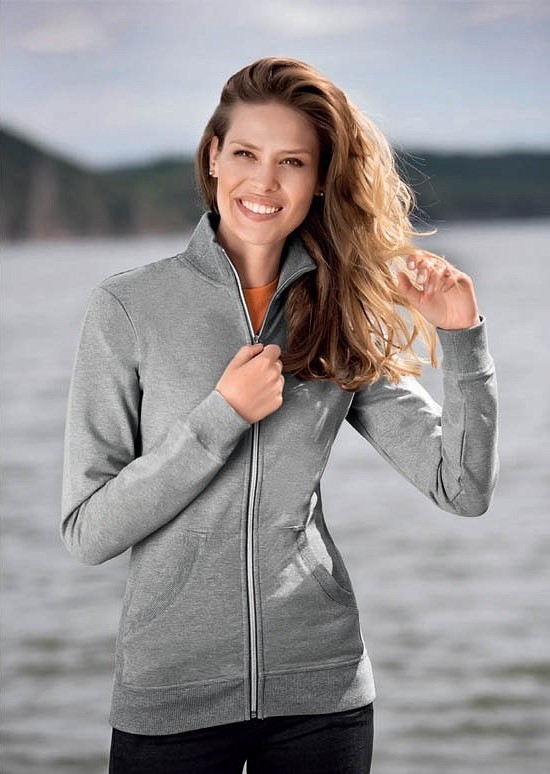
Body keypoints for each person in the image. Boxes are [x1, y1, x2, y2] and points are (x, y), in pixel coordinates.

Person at [60, 57, 499, 773]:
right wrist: (221, 417)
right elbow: (88, 531)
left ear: (320, 178)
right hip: (171, 696)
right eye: (245, 154)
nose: (263, 183)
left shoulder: (339, 312)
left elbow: (463, 488)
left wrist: (462, 337)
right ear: (213, 157)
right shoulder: (129, 307)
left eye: (291, 161)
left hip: (322, 695)